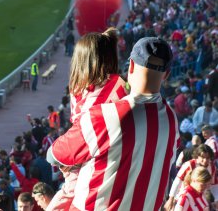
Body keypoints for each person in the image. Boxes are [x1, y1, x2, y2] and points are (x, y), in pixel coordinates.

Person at [47, 37, 179, 210]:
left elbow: (55, 155)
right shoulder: (171, 120)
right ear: (167, 74)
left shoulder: (103, 116)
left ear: (131, 65)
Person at [47, 28, 128, 210]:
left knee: (65, 199)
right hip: (90, 161)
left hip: (96, 168)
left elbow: (85, 132)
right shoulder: (96, 87)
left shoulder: (110, 88)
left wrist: (57, 153)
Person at [165, 144, 215, 210]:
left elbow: (214, 185)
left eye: (208, 158)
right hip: (185, 198)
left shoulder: (212, 167)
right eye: (203, 157)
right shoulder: (189, 164)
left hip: (200, 199)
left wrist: (215, 200)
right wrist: (171, 198)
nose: (205, 160)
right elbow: (177, 181)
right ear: (197, 156)